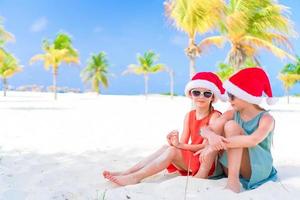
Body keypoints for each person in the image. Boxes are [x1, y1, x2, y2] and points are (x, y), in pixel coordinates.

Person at [102, 72, 227, 186]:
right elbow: (182, 143)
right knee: (166, 148)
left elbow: (204, 146)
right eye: (196, 92)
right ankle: (127, 172)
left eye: (207, 93)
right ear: (190, 94)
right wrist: (174, 142)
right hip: (192, 158)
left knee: (172, 151)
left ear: (212, 97)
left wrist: (178, 145)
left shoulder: (214, 116)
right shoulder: (189, 115)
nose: (201, 96)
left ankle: (135, 177)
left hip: (205, 161)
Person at [197, 67, 278, 193]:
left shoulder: (266, 119)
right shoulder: (232, 113)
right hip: (230, 167)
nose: (229, 100)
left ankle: (233, 181)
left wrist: (215, 146)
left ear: (246, 96)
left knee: (231, 126)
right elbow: (204, 129)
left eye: (232, 96)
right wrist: (212, 137)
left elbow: (253, 140)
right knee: (223, 125)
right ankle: (204, 170)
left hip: (255, 169)